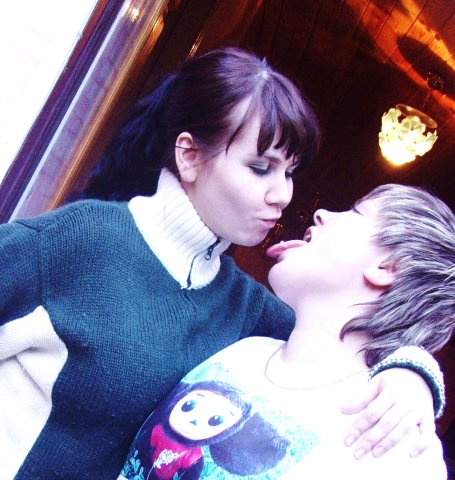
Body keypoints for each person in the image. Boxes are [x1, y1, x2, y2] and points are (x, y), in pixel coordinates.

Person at [0, 48, 443, 479]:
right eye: (261, 167)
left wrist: (413, 372)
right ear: (190, 156)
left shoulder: (246, 310)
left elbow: (348, 336)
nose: (283, 195)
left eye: (289, 172)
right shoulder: (82, 240)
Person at [119, 184, 454, 480]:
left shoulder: (395, 438)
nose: (322, 214)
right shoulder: (246, 350)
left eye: (356, 212)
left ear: (387, 268)